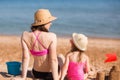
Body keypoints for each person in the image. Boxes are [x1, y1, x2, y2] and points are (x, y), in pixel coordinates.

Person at [11, 9, 59, 80]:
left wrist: (23, 77)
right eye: (49, 21)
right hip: (50, 74)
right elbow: (53, 60)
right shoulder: (52, 36)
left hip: (36, 73)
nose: (51, 23)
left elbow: (25, 58)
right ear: (45, 23)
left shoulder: (25, 35)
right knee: (60, 57)